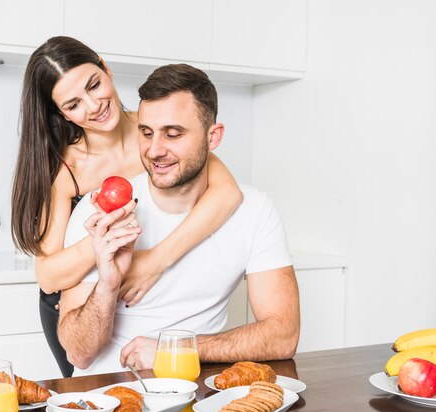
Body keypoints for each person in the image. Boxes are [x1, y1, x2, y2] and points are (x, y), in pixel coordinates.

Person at [10, 37, 243, 377]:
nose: (93, 106)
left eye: (94, 85)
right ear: (60, 113)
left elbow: (227, 195)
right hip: (77, 308)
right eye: (73, 104)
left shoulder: (155, 132)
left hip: (146, 292)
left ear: (106, 68)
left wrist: (156, 261)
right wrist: (105, 244)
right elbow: (47, 277)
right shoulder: (66, 171)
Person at [58, 63, 300, 375]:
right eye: (146, 133)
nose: (155, 150)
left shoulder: (255, 210)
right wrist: (108, 283)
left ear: (213, 138)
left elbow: (283, 335)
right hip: (106, 394)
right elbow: (79, 354)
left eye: (173, 134)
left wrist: (174, 351)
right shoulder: (99, 213)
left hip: (196, 392)